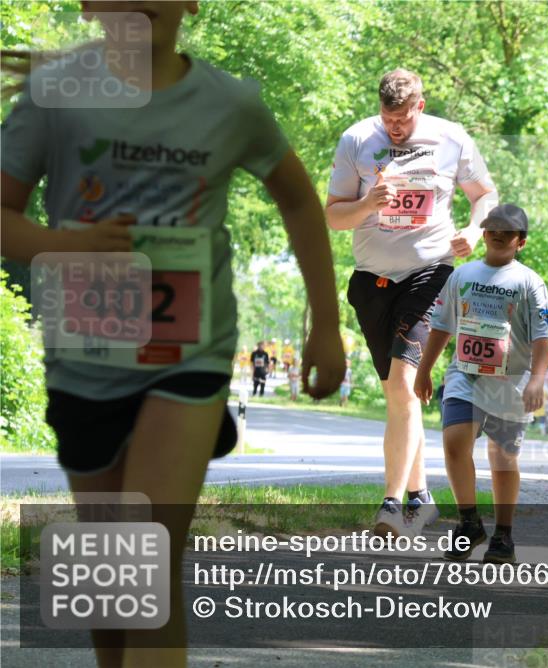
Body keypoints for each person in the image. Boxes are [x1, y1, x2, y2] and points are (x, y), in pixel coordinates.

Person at [0, 4, 345, 664]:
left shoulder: (230, 104)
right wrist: (59, 245)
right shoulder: (55, 97)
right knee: (109, 581)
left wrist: (324, 326)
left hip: (188, 357)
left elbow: (298, 199)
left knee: (146, 559)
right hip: (85, 360)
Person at [326, 68, 498, 537]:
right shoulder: (356, 139)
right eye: (388, 118)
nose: (394, 128)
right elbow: (334, 217)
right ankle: (422, 499)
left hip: (432, 272)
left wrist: (474, 230)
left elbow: (485, 194)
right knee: (399, 396)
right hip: (372, 280)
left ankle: (391, 506)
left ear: (419, 106)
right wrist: (367, 205)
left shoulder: (451, 137)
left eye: (402, 118)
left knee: (404, 383)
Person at [415, 204, 548, 563]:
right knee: (455, 441)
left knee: (502, 457)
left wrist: (538, 379)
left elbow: (542, 337)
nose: (499, 234)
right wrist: (424, 369)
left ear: (521, 241)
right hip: (466, 374)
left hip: (511, 382)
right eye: (493, 227)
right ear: (485, 232)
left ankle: (503, 536)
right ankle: (469, 522)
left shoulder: (529, 282)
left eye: (508, 231)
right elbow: (442, 325)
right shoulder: (462, 275)